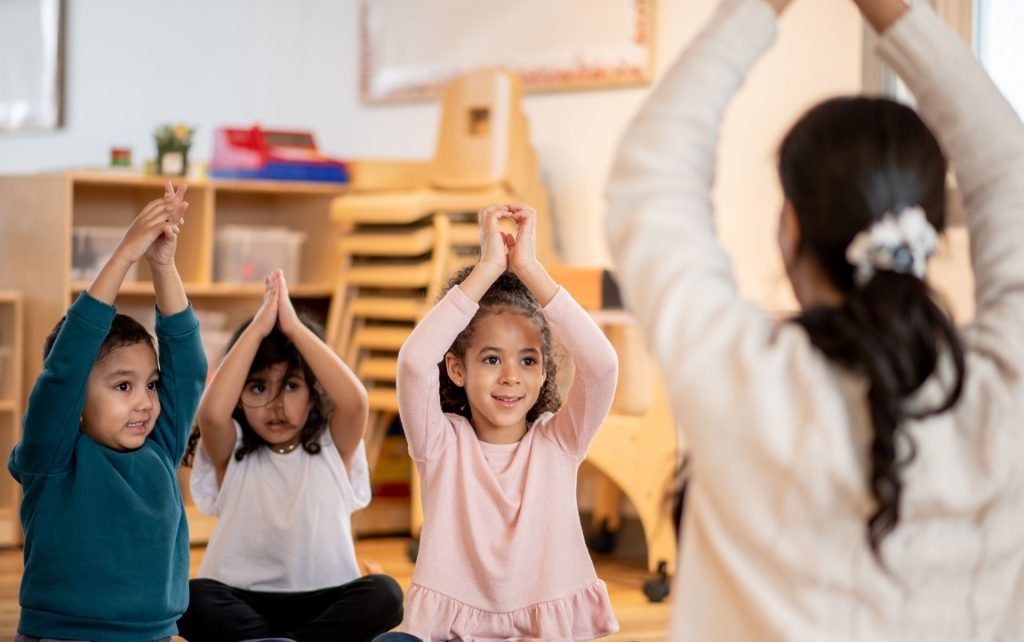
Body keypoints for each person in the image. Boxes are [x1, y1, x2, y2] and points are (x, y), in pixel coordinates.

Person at [605, 0, 1024, 639]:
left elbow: (650, 174)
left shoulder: (743, 379)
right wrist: (899, 16)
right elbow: (1008, 174)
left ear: (789, 229)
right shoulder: (1002, 394)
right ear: (931, 231)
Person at [386, 203, 620, 642]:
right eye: (492, 359)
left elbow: (603, 366)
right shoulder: (439, 443)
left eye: (528, 360)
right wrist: (489, 267)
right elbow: (415, 363)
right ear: (457, 369)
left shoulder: (559, 441)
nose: (511, 376)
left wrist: (530, 269)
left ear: (545, 370)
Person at [9, 183, 206, 641]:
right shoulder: (52, 457)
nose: (144, 401)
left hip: (156, 634)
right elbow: (64, 370)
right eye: (123, 386)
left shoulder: (160, 446)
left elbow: (190, 367)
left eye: (151, 385)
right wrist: (124, 257)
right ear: (77, 400)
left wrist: (162, 265)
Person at [177, 269, 403, 642]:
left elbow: (355, 401)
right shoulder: (231, 450)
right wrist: (259, 328)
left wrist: (295, 329)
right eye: (258, 386)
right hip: (242, 598)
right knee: (189, 598)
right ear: (239, 394)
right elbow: (212, 413)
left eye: (292, 386)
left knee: (386, 595)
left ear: (314, 391)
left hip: (324, 598)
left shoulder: (334, 445)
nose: (275, 404)